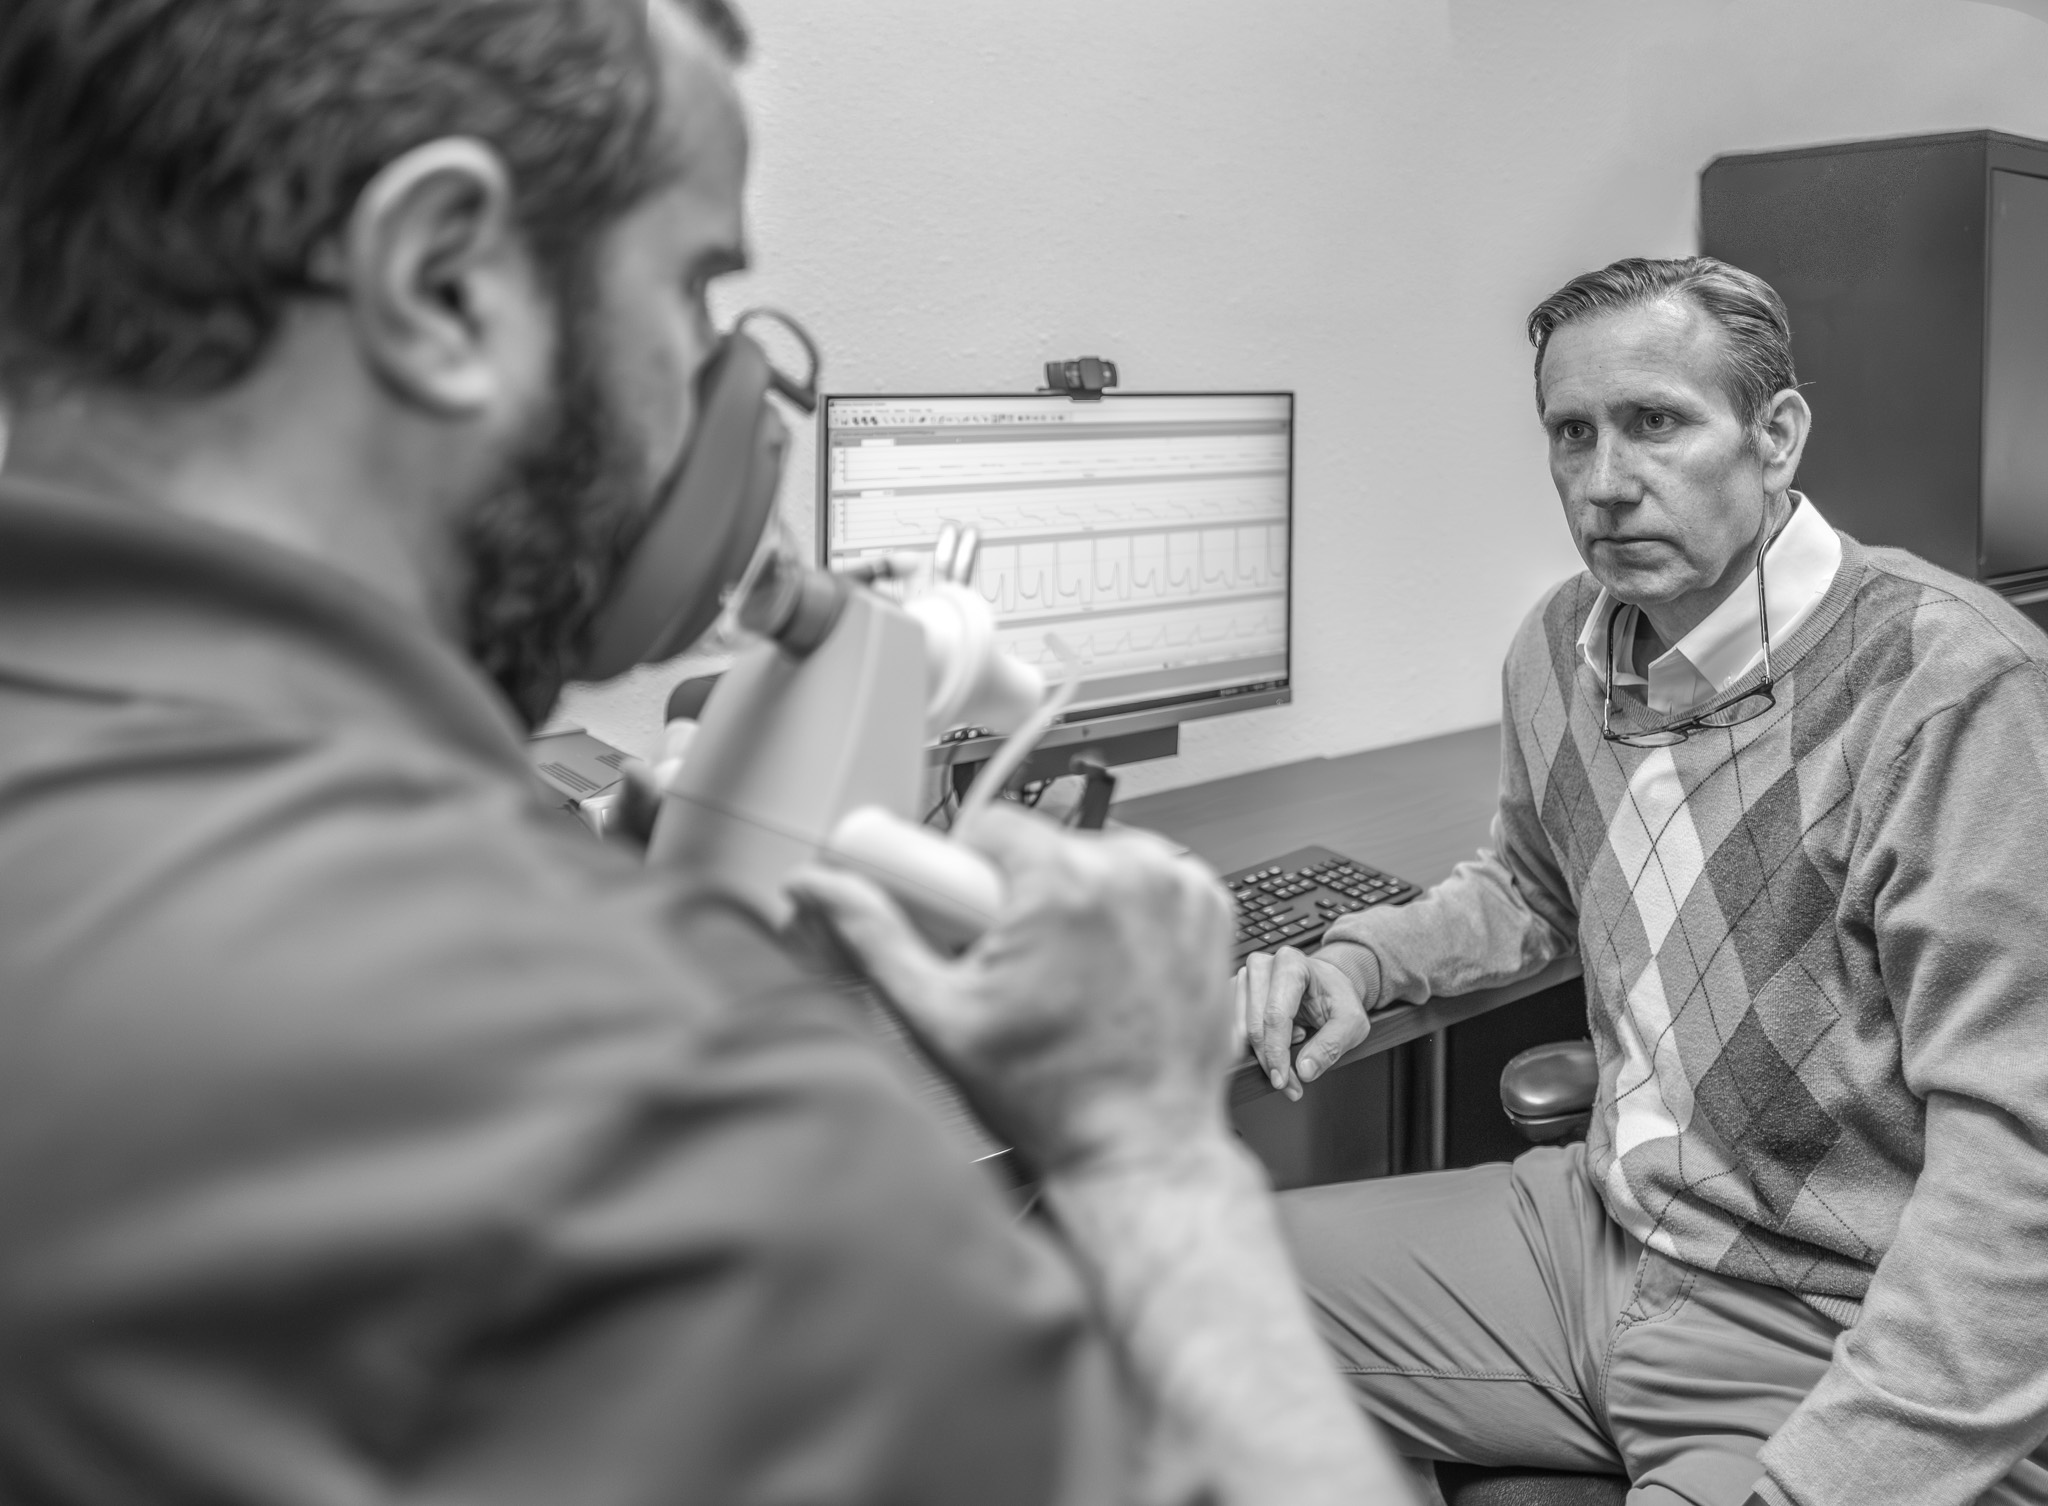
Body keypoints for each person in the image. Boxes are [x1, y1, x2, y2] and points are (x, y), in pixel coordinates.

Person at [0, 3, 1418, 1503]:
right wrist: (1153, 1156)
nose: (723, 390)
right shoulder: (669, 1118)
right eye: (692, 288)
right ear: (438, 280)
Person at [1240, 254, 2048, 1506]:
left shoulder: (1952, 690)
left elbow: (2017, 1177)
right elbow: (1528, 888)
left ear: (1774, 436)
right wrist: (1362, 960)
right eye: (1573, 433)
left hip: (1821, 1324)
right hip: (1598, 1240)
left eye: (1655, 423)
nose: (1604, 484)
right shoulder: (1559, 645)